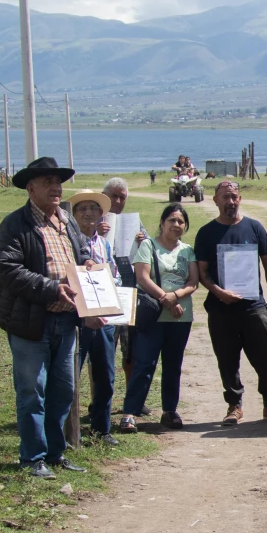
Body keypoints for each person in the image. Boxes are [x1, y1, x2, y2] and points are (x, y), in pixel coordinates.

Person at [0, 157, 91, 479]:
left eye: (58, 182)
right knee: (32, 391)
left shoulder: (68, 221)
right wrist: (52, 288)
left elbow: (81, 252)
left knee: (63, 391)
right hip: (31, 323)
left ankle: (54, 453)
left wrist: (88, 264)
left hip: (66, 321)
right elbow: (9, 270)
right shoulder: (14, 225)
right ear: (30, 188)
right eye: (48, 182)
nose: (56, 188)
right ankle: (32, 458)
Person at [194, 181, 267, 425]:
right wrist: (218, 293)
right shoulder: (206, 233)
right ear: (215, 200)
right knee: (227, 359)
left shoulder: (254, 227)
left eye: (234, 196)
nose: (230, 201)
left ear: (240, 198)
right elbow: (202, 273)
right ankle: (234, 406)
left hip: (253, 306)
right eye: (224, 197)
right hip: (221, 308)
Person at [122, 204, 200, 432]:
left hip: (180, 317)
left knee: (173, 365)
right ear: (163, 222)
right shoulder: (148, 245)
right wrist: (165, 299)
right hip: (152, 315)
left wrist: (175, 297)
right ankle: (129, 412)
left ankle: (169, 411)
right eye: (172, 220)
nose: (176, 225)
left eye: (181, 222)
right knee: (144, 363)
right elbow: (142, 277)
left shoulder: (188, 250)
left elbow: (193, 282)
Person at [69, 189, 121, 446]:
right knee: (70, 377)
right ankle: (70, 432)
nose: (88, 213)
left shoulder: (104, 243)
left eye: (93, 208)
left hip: (105, 319)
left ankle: (102, 429)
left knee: (105, 376)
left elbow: (114, 273)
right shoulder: (69, 241)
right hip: (78, 319)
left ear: (102, 213)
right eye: (82, 209)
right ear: (74, 214)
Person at [99, 177, 150, 417]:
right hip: (102, 295)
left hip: (129, 293)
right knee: (102, 354)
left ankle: (133, 401)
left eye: (122, 197)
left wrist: (143, 241)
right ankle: (98, 403)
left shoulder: (133, 222)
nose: (118, 201)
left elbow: (149, 251)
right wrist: (95, 233)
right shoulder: (92, 221)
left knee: (131, 353)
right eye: (113, 196)